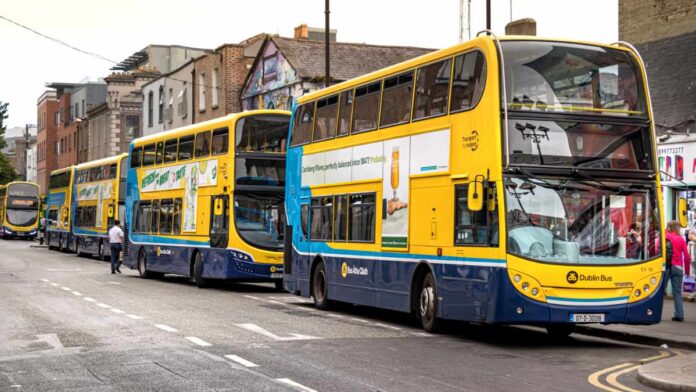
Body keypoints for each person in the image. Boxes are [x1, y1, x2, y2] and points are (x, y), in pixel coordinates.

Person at [665, 220, 691, 322]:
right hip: (678, 268)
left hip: (666, 267)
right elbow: (687, 257)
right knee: (677, 293)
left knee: (659, 291)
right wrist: (687, 271)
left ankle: (652, 313)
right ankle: (679, 315)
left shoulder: (665, 236)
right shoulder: (681, 239)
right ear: (677, 228)